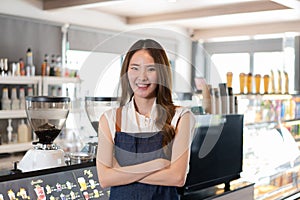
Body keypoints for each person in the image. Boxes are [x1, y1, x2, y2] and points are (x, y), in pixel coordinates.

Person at [96, 39, 195, 200]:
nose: (142, 77)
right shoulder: (109, 119)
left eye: (150, 69)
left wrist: (121, 172)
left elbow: (177, 177)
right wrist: (158, 164)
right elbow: (105, 179)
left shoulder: (181, 117)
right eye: (134, 68)